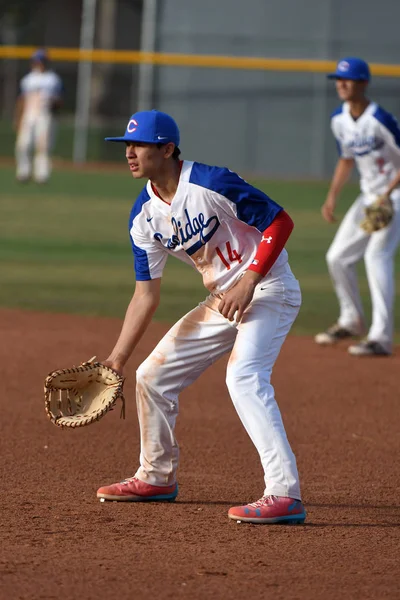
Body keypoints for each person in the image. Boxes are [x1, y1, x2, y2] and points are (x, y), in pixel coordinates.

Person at [96, 109, 306, 525]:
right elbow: (145, 295)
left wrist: (249, 278)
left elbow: (280, 221)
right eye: (126, 146)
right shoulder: (144, 215)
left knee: (244, 377)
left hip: (268, 288)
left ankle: (285, 493)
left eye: (138, 145)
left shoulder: (211, 182)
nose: (130, 153)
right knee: (152, 377)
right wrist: (116, 360)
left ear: (167, 149)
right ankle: (156, 477)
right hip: (223, 300)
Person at [315, 57, 400, 356]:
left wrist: (388, 193)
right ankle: (351, 319)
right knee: (337, 257)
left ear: (363, 83)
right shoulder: (339, 119)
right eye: (338, 79)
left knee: (377, 257)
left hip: (395, 198)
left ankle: (381, 337)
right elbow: (346, 159)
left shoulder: (380, 120)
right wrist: (332, 196)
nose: (341, 84)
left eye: (347, 79)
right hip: (368, 198)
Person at [14, 49, 63, 184]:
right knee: (23, 145)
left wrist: (54, 105)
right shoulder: (28, 79)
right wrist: (18, 118)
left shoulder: (53, 79)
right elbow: (21, 100)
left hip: (45, 115)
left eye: (41, 61)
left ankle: (42, 175)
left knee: (43, 146)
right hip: (29, 115)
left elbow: (60, 100)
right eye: (36, 61)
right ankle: (23, 172)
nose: (39, 63)